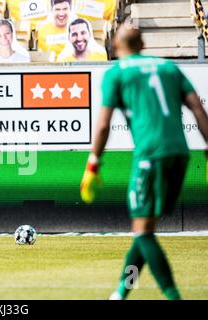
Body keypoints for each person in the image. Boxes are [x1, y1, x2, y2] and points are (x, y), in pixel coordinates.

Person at [80, 23, 208, 300]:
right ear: (143, 45)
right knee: (144, 228)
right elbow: (197, 107)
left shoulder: (117, 73)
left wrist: (93, 163)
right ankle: (121, 292)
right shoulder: (169, 68)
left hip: (150, 156)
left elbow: (102, 125)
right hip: (181, 155)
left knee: (143, 232)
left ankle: (173, 296)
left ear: (114, 47)